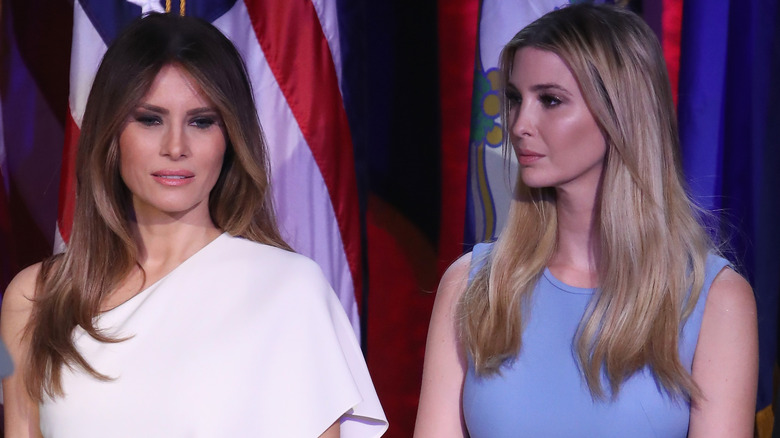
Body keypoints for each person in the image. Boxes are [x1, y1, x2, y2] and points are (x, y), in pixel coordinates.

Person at [1, 13, 387, 437]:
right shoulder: (34, 298)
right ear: (110, 134)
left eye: (202, 122)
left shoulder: (289, 289)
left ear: (230, 138)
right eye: (150, 119)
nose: (175, 147)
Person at [415, 4, 757, 438]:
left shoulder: (712, 299)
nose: (520, 125)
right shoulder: (472, 286)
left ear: (621, 112)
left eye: (550, 100)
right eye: (517, 99)